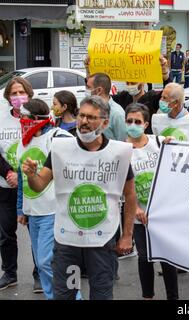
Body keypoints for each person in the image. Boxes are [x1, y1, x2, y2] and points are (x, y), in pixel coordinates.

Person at [22, 95, 137, 300]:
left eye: (91, 118)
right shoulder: (60, 148)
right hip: (68, 241)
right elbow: (39, 185)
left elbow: (130, 195)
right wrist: (31, 175)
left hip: (102, 241)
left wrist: (127, 235)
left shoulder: (119, 153)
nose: (84, 122)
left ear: (105, 122)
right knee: (66, 294)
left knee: (101, 295)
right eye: (81, 116)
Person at [151, 83, 189, 287]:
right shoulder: (158, 120)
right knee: (174, 225)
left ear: (176, 102)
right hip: (168, 181)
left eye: (166, 98)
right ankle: (177, 262)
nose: (162, 100)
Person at [16, 99, 72, 300]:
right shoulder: (23, 142)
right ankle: (53, 296)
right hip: (33, 213)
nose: (20, 120)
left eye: (23, 116)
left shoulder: (58, 137)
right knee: (42, 263)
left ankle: (73, 296)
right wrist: (21, 209)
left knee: (47, 262)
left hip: (52, 210)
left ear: (35, 119)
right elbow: (23, 179)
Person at [125, 103, 179, 300]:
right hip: (139, 215)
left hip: (162, 214)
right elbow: (121, 186)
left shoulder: (160, 142)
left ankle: (173, 297)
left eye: (137, 121)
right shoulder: (122, 150)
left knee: (167, 258)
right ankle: (148, 296)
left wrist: (175, 144)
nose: (133, 124)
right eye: (129, 121)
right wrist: (136, 208)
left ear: (146, 123)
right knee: (144, 257)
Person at [0, 77, 42, 293]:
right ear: (8, 97)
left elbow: (42, 147)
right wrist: (8, 172)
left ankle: (39, 273)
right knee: (6, 231)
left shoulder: (35, 116)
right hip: (5, 185)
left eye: (21, 92)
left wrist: (22, 174)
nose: (18, 97)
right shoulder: (1, 118)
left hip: (32, 184)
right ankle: (9, 272)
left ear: (29, 93)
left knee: (36, 231)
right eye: (13, 93)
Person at [86, 73, 127, 142]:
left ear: (99, 90)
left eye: (88, 87)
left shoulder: (117, 114)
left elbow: (123, 142)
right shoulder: (90, 108)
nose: (86, 90)